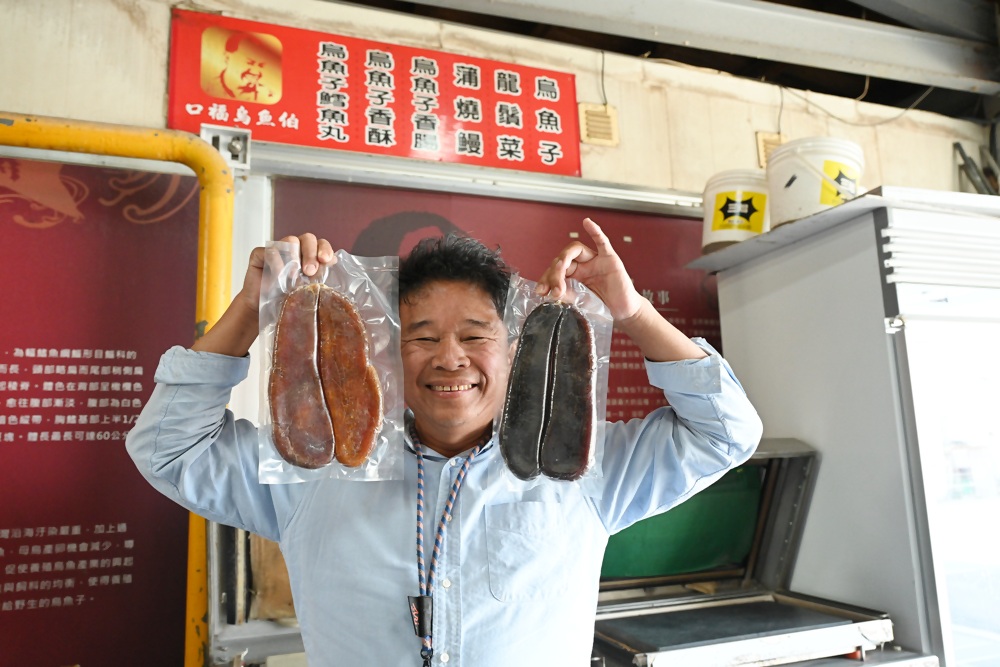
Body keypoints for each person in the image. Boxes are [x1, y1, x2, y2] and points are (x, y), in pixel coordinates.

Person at [126, 217, 762, 666]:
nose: (450, 358)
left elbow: (728, 432)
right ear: (384, 353)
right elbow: (165, 449)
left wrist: (631, 311)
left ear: (511, 353)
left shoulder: (580, 468)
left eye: (476, 335)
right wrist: (251, 308)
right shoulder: (318, 470)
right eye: (422, 336)